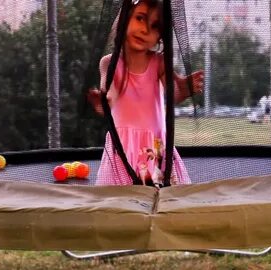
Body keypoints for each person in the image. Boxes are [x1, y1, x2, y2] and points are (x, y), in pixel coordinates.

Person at [87, 0, 204, 187]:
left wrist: (181, 91)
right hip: (123, 146)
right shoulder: (109, 63)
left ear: (160, 37)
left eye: (155, 26)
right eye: (140, 18)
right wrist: (103, 103)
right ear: (124, 20)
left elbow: (171, 94)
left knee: (162, 196)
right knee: (121, 199)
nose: (145, 30)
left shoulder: (158, 62)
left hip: (154, 144)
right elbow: (111, 94)